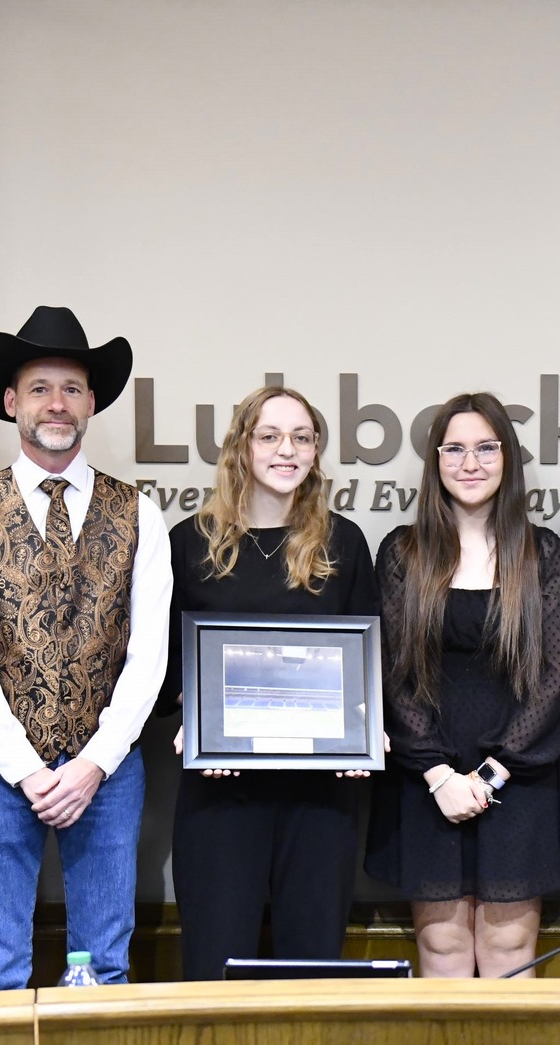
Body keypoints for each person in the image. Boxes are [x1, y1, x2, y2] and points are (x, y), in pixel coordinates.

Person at [0, 305, 171, 988]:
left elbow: (148, 654)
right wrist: (24, 768)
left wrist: (94, 762)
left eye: (71, 387)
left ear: (92, 401)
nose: (56, 403)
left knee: (105, 967)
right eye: (39, 388)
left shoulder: (140, 513)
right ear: (11, 402)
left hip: (108, 767)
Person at [161, 386, 378, 981]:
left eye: (302, 437)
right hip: (221, 792)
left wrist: (367, 728)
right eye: (270, 436)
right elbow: (161, 668)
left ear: (316, 452)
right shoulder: (189, 543)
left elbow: (368, 657)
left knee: (311, 971)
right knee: (215, 966)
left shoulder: (344, 542)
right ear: (241, 447)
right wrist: (198, 718)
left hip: (322, 796)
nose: (288, 450)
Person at [365, 392, 560, 978]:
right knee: (443, 951)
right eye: (454, 449)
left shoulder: (543, 555)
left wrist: (490, 775)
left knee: (510, 954)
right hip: (427, 779)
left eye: (486, 448)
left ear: (507, 457)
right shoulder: (403, 554)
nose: (470, 462)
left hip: (520, 776)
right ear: (435, 461)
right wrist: (439, 777)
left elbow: (555, 678)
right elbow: (392, 673)